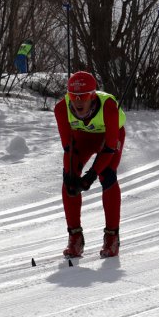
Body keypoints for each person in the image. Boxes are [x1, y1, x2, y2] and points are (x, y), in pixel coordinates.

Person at [54, 71, 127, 258]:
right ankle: (75, 237)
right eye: (73, 96)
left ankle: (112, 237)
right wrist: (73, 176)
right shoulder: (61, 109)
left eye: (84, 96)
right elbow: (68, 147)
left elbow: (110, 148)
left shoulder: (109, 107)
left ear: (93, 96)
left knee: (107, 176)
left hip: (109, 139)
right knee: (69, 180)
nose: (78, 102)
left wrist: (91, 175)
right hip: (83, 138)